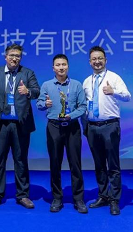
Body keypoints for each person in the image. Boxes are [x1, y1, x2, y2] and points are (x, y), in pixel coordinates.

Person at [0, 44, 40, 209]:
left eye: (18, 56)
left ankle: (23, 195)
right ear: (5, 56)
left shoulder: (27, 73)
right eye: (12, 55)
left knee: (21, 160)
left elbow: (37, 91)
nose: (15, 58)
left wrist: (28, 91)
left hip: (20, 125)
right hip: (0, 124)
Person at [82, 46, 131, 216]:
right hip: (92, 127)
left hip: (110, 126)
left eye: (100, 58)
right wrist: (85, 127)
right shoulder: (86, 82)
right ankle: (103, 196)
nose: (97, 62)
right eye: (94, 59)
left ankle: (114, 200)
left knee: (113, 165)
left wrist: (113, 92)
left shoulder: (114, 77)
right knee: (99, 164)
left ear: (105, 60)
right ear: (90, 62)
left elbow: (127, 96)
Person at [37, 54, 87, 213]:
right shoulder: (47, 85)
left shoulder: (76, 85)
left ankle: (78, 199)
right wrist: (45, 104)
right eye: (58, 65)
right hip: (54, 127)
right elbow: (39, 104)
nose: (61, 67)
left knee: (75, 164)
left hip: (72, 127)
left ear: (68, 67)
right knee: (55, 163)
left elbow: (83, 107)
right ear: (53, 68)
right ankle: (57, 198)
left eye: (64, 64)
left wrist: (71, 115)